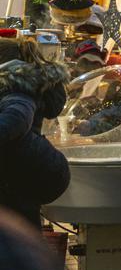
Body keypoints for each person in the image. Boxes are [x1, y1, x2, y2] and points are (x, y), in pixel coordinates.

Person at [0, 31, 70, 228]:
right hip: (23, 172)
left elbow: (16, 118)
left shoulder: (14, 89)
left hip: (20, 174)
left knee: (19, 230)